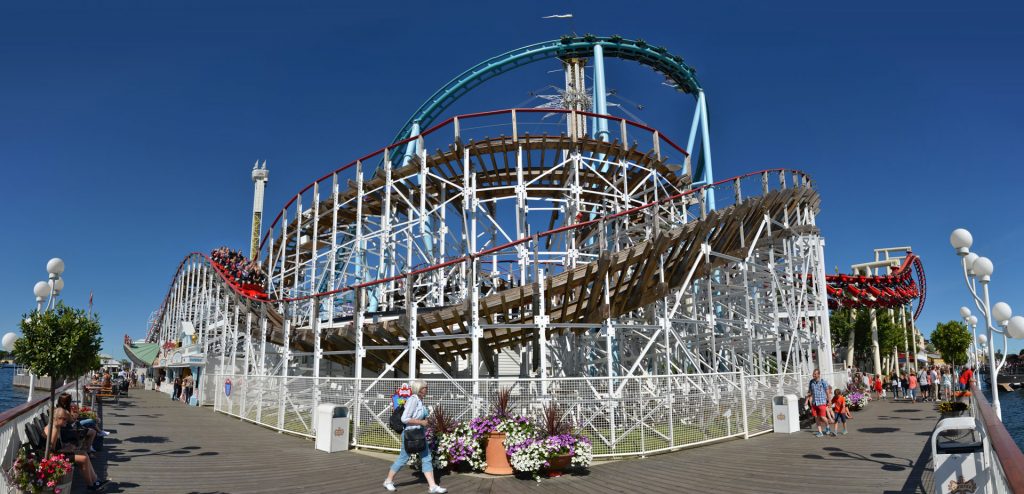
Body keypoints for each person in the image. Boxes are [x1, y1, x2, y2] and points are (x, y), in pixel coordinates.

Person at [383, 380, 447, 493]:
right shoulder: (413, 400)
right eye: (425, 387)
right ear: (419, 389)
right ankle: (388, 481)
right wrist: (421, 422)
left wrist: (426, 421)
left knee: (426, 458)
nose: (427, 389)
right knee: (403, 458)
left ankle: (432, 486)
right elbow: (404, 419)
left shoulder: (420, 400)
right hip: (410, 435)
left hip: (419, 434)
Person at [46, 408, 110, 492]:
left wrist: (67, 447)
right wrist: (66, 449)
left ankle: (95, 481)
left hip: (59, 453)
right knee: (83, 459)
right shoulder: (53, 430)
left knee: (83, 453)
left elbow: (56, 447)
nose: (66, 421)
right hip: (54, 458)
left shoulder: (56, 427)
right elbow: (51, 452)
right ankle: (90, 485)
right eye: (64, 419)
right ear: (57, 419)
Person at [805, 369, 832, 438]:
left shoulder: (823, 382)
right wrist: (806, 400)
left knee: (823, 417)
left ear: (818, 374)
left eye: (815, 374)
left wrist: (829, 401)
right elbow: (810, 392)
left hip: (822, 402)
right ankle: (820, 432)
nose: (813, 375)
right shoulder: (811, 382)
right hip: (814, 403)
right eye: (813, 374)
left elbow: (827, 392)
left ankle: (827, 425)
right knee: (816, 418)